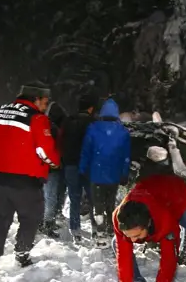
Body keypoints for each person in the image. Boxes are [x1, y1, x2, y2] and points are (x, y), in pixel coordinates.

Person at [0, 82, 60, 279]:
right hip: (25, 179)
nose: (45, 106)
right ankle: (22, 253)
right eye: (44, 102)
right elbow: (44, 151)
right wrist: (54, 163)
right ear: (35, 99)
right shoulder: (36, 118)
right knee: (31, 216)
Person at [79, 96, 131, 247]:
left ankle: (100, 231)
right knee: (111, 203)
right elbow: (126, 156)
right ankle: (111, 229)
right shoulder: (123, 132)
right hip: (114, 174)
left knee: (97, 203)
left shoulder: (93, 128)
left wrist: (83, 168)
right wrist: (124, 173)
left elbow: (86, 151)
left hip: (96, 173)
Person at [58, 93, 96, 244]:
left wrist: (64, 159)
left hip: (70, 165)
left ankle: (76, 232)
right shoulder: (93, 122)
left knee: (74, 198)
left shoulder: (68, 121)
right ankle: (96, 229)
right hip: (89, 166)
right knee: (94, 199)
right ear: (91, 108)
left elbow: (60, 141)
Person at [40, 100, 68, 238]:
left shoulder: (43, 125)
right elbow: (58, 148)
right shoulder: (57, 129)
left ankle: (41, 222)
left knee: (44, 196)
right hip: (54, 167)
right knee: (51, 196)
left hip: (41, 167)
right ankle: (48, 224)